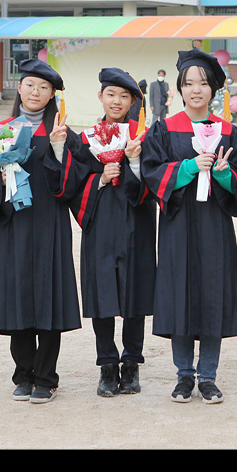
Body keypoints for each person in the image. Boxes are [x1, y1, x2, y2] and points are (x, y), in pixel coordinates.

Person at [140, 49, 237, 404]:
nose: (196, 89)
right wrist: (188, 167)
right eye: (188, 83)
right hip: (178, 223)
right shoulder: (164, 129)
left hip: (215, 224)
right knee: (179, 293)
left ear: (214, 88)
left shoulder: (229, 132)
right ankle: (184, 375)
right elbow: (152, 173)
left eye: (203, 83)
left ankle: (209, 377)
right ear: (180, 89)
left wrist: (225, 175)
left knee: (213, 293)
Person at [0, 58, 83, 404]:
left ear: (52, 95)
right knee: (17, 295)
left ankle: (46, 377)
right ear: (19, 88)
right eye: (30, 85)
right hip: (14, 224)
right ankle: (23, 373)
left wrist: (58, 148)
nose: (36, 92)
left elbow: (73, 183)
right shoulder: (2, 130)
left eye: (44, 87)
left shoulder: (62, 131)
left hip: (50, 224)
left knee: (49, 298)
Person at [68, 68, 157, 397]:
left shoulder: (145, 136)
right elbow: (73, 185)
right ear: (100, 97)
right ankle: (107, 364)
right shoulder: (86, 139)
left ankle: (131, 363)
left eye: (124, 96)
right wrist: (101, 178)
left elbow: (155, 181)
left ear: (133, 101)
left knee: (135, 292)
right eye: (111, 94)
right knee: (101, 293)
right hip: (101, 223)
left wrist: (133, 163)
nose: (117, 101)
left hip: (137, 223)